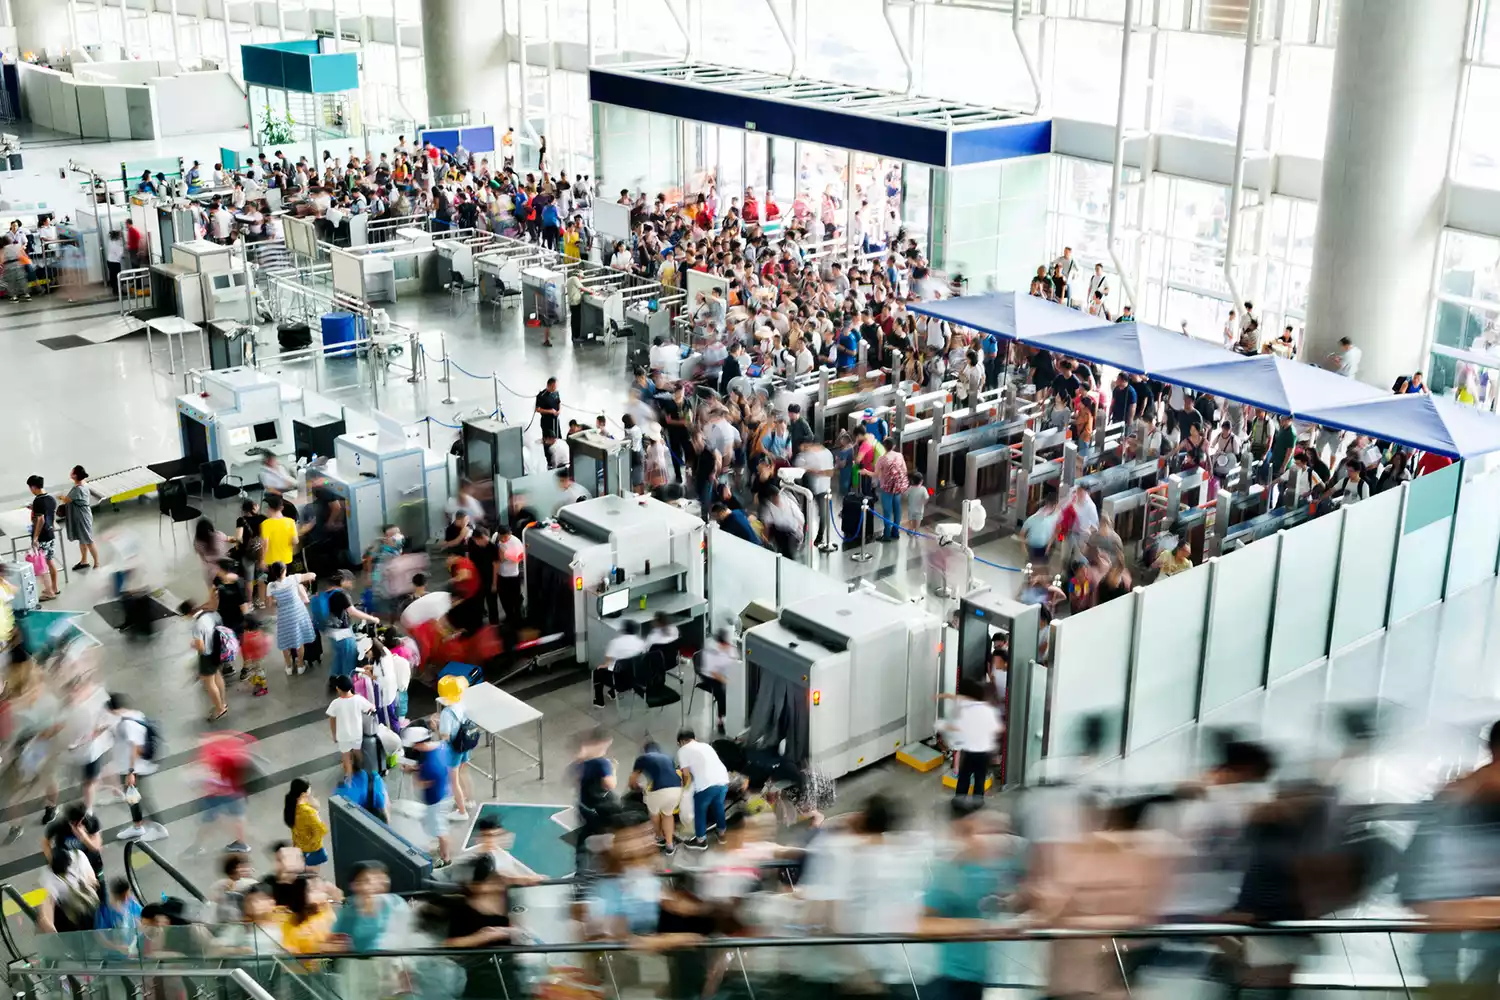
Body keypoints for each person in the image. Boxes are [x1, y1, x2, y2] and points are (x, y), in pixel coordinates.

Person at [109, 694, 168, 842]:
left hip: (136, 768)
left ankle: (159, 828)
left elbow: (135, 747)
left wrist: (131, 772)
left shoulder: (128, 723)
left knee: (143, 798)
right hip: (131, 767)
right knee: (132, 798)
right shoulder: (134, 714)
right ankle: (137, 826)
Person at [938, 680, 1000, 800]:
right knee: (979, 780)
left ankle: (959, 802)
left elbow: (957, 727)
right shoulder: (988, 710)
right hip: (984, 753)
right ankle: (977, 803)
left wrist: (941, 725)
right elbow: (998, 728)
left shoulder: (967, 710)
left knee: (964, 779)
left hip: (969, 751)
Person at [676, 727, 729, 850]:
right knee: (718, 806)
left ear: (681, 742)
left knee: (700, 811)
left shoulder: (683, 750)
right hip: (723, 780)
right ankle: (722, 834)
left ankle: (701, 841)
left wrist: (684, 787)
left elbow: (685, 773)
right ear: (695, 738)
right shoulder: (706, 746)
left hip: (706, 785)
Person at [181, 598, 231, 722]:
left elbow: (201, 647)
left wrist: (195, 645)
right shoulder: (211, 613)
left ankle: (219, 709)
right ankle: (223, 702)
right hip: (219, 650)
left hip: (207, 655)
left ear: (188, 613)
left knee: (209, 682)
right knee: (218, 675)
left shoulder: (197, 625)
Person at [631, 740, 684, 854]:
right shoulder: (667, 757)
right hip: (676, 789)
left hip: (659, 789)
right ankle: (669, 846)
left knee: (654, 813)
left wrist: (637, 788)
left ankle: (659, 837)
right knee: (668, 814)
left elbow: (633, 780)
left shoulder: (642, 758)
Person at [266, 562, 318, 676]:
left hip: (283, 615)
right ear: (284, 570)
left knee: (285, 642)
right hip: (297, 613)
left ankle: (289, 666)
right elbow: (312, 575)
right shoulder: (293, 579)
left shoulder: (270, 586)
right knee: (299, 641)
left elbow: (269, 604)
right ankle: (300, 665)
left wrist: (279, 601)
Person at [411, 728, 453, 867]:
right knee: (438, 827)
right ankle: (442, 850)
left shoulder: (429, 765)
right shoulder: (441, 746)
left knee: (440, 830)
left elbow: (422, 784)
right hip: (446, 793)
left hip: (436, 800)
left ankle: (446, 859)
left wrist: (412, 772)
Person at [326, 675, 374, 778]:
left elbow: (332, 720)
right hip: (356, 733)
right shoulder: (358, 699)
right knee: (358, 752)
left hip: (343, 735)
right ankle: (361, 772)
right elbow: (371, 707)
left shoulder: (335, 703)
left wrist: (334, 735)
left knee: (345, 756)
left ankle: (349, 778)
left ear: (337, 688)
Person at [594, 618, 646, 707]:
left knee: (598, 672)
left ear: (623, 630)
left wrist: (602, 666)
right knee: (619, 667)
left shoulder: (615, 643)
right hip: (635, 678)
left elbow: (607, 662)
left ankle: (599, 701)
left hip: (619, 681)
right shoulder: (641, 643)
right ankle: (612, 692)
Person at [58, 466, 99, 573]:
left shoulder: (78, 489)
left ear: (75, 475)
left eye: (72, 472)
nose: (70, 473)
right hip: (82, 514)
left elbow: (67, 500)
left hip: (81, 517)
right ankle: (84, 561)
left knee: (88, 540)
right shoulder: (83, 483)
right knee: (83, 539)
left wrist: (61, 497)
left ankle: (97, 563)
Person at [26, 474, 60, 600]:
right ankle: (55, 588)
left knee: (41, 565)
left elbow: (40, 519)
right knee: (50, 561)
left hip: (42, 537)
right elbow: (49, 514)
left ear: (34, 487)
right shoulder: (51, 499)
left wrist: (35, 538)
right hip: (50, 534)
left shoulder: (38, 501)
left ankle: (48, 592)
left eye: (30, 488)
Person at [285, 777, 329, 872]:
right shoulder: (308, 812)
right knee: (312, 875)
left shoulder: (291, 805)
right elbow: (322, 830)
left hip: (298, 846)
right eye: (309, 788)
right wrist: (316, 812)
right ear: (303, 794)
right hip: (311, 849)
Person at [494, 524, 524, 626]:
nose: (502, 539)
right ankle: (509, 616)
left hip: (512, 575)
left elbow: (520, 558)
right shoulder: (496, 538)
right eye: (501, 537)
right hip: (501, 574)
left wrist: (505, 555)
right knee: (504, 598)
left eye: (505, 537)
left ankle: (517, 619)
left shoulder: (515, 542)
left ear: (509, 534)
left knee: (515, 599)